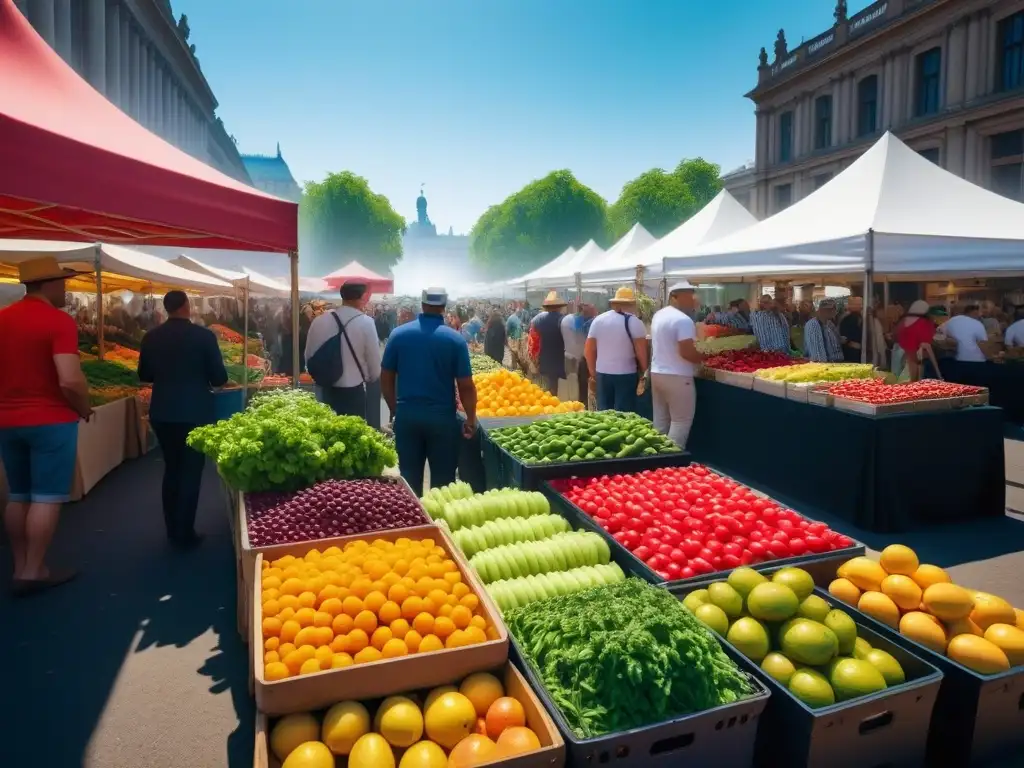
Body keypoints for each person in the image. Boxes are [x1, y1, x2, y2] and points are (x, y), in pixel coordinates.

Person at [0, 257, 92, 595]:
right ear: (50, 284)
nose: (66, 289)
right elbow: (69, 379)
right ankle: (34, 568)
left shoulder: (2, 318)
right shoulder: (57, 321)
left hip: (6, 421)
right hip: (50, 420)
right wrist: (84, 407)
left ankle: (20, 564)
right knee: (47, 498)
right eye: (63, 283)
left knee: (18, 494)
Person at [138, 291, 228, 549]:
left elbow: (145, 374)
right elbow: (219, 377)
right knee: (191, 470)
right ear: (187, 306)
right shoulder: (204, 336)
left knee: (172, 468)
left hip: (163, 411)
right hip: (195, 411)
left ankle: (172, 528)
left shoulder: (151, 337)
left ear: (167, 309)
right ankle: (184, 530)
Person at [381, 288, 477, 496]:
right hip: (442, 420)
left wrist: (395, 409)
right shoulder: (455, 340)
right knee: (443, 483)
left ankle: (415, 524)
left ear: (422, 305)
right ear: (444, 308)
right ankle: (439, 524)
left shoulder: (398, 335)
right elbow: (466, 385)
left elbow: (386, 378)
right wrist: (470, 417)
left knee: (408, 479)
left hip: (408, 417)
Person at [304, 283, 382, 422]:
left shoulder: (319, 321)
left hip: (324, 389)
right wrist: (369, 378)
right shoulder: (366, 323)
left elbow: (308, 356)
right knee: (351, 437)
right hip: (353, 392)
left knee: (325, 435)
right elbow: (374, 364)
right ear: (363, 297)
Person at [650, 282, 704, 449]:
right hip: (678, 376)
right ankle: (671, 462)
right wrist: (704, 357)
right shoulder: (683, 320)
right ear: (675, 297)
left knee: (660, 421)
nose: (693, 300)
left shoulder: (659, 315)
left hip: (657, 372)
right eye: (689, 296)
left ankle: (656, 458)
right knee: (681, 421)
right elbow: (687, 352)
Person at [585, 286, 648, 412]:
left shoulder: (598, 320)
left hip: (602, 373)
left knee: (604, 412)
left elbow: (588, 350)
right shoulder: (635, 322)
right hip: (626, 374)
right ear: (631, 304)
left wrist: (593, 373)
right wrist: (645, 372)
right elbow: (641, 351)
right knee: (624, 414)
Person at [893, 300, 940, 381]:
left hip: (903, 358)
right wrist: (938, 373)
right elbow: (926, 346)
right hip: (915, 361)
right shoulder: (923, 323)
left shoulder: (904, 321)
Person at [531, 292, 567, 395]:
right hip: (558, 356)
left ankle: (545, 401)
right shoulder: (563, 319)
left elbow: (534, 340)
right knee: (554, 384)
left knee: (546, 383)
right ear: (559, 307)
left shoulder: (538, 320)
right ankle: (552, 401)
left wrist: (535, 357)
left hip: (544, 356)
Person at [561, 301, 586, 400]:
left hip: (567, 354)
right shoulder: (580, 320)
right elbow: (580, 339)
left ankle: (572, 402)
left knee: (571, 381)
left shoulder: (565, 319)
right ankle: (578, 402)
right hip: (579, 358)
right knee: (579, 383)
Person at [839, 296, 865, 362]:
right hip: (851, 353)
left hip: (857, 352)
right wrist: (852, 343)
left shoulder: (861, 317)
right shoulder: (847, 319)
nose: (861, 306)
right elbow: (843, 337)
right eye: (858, 304)